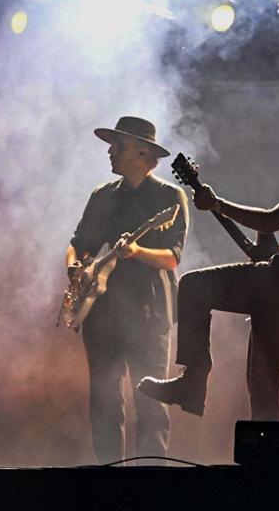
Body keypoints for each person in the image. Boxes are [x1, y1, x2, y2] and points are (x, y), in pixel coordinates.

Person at [138, 112, 279, 421]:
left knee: (192, 286)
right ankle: (269, 461)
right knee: (263, 386)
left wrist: (217, 204)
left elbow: (271, 219)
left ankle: (192, 382)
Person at [66, 116, 189, 464]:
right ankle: (109, 482)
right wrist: (74, 267)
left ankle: (149, 489)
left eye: (116, 145)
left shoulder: (170, 197)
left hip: (149, 315)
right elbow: (78, 244)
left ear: (142, 153)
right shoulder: (102, 196)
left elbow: (172, 257)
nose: (109, 150)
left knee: (151, 407)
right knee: (104, 405)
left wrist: (136, 251)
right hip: (102, 314)